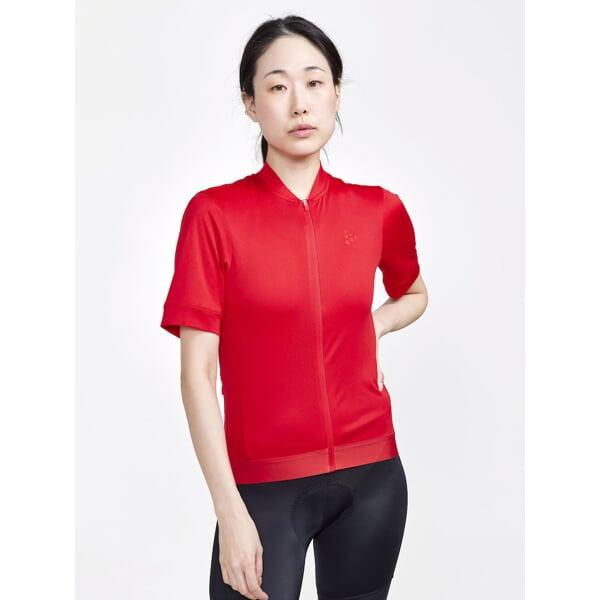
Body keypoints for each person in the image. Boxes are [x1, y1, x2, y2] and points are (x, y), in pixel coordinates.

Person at [160, 14, 428, 600]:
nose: (299, 103)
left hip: (373, 478)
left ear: (336, 93)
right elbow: (197, 374)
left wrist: (374, 326)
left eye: (314, 82)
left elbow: (414, 293)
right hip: (263, 490)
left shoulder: (377, 209)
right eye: (278, 86)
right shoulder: (214, 216)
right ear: (250, 104)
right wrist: (229, 511)